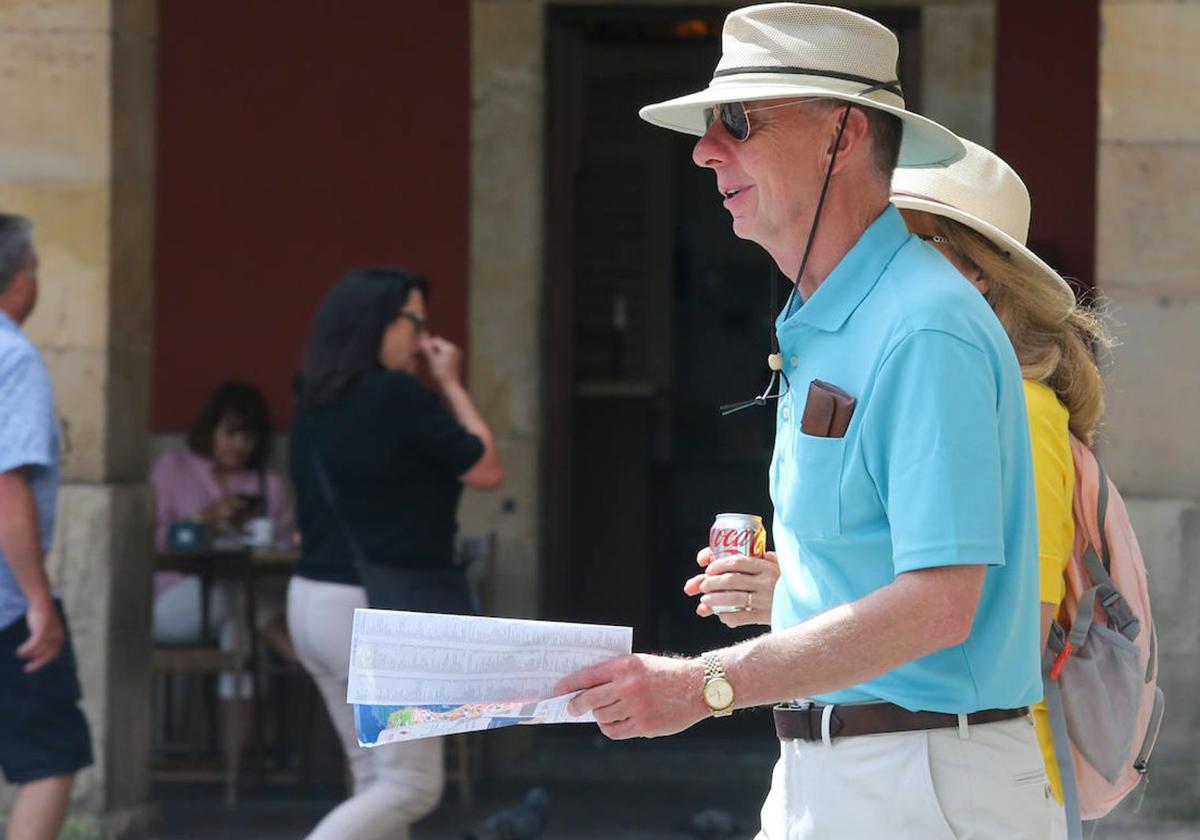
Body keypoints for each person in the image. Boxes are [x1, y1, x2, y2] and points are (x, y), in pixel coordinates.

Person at [556, 5, 1055, 837]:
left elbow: (939, 607)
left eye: (739, 121)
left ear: (841, 136)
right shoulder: (836, 312)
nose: (705, 148)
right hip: (841, 768)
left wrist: (702, 685)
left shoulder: (924, 322)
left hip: (922, 779)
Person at [891, 139, 1111, 831]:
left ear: (979, 273)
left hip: (993, 784)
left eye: (913, 244)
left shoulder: (1021, 409)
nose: (887, 267)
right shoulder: (966, 397)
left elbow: (1017, 630)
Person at [288, 266, 504, 840]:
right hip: (378, 611)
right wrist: (452, 382)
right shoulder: (398, 394)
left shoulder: (315, 399)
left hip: (312, 602)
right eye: (415, 320)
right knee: (411, 786)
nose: (423, 335)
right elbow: (485, 466)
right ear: (378, 324)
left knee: (374, 781)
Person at [0, 213, 93, 840]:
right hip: (4, 604)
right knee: (51, 757)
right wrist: (39, 601)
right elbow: (6, 483)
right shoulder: (14, 357)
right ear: (23, 281)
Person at [150, 382, 294, 726]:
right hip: (169, 600)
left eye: (249, 437)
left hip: (240, 600)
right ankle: (297, 656)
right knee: (242, 598)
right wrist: (205, 519)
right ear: (211, 430)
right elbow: (151, 539)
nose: (239, 445)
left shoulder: (266, 485)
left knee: (242, 637)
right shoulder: (174, 468)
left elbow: (285, 544)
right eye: (231, 434)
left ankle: (234, 770)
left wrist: (255, 534)